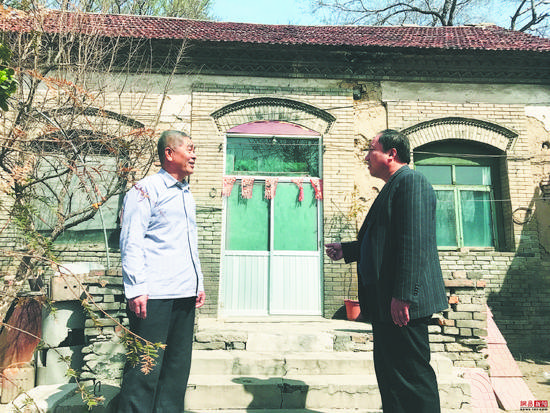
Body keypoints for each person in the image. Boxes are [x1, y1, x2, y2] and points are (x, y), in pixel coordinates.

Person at [325, 129, 447, 413]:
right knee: (392, 377)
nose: (366, 157)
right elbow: (383, 241)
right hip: (386, 304)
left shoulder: (411, 182)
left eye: (371, 149)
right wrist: (348, 250)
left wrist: (403, 295)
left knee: (411, 377)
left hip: (401, 306)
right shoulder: (393, 186)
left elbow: (414, 242)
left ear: (391, 154)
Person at [117, 130, 206, 413]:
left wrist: (198, 283)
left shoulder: (185, 193)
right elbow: (131, 240)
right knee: (145, 369)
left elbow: (188, 242)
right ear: (169, 153)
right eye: (189, 149)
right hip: (153, 295)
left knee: (176, 370)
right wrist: (136, 288)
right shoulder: (145, 190)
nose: (194, 155)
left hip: (184, 292)